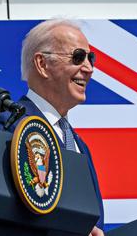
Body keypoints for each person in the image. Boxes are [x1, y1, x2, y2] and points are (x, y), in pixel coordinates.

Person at [11, 19, 105, 236]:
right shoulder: (8, 125)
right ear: (42, 64)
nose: (89, 68)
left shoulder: (78, 144)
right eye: (78, 57)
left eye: (90, 58)